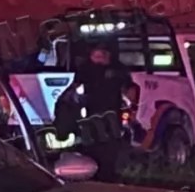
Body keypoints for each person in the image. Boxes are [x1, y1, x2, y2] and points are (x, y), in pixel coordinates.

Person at [58, 40, 138, 183]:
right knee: (91, 149)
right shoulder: (85, 70)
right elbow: (76, 90)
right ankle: (95, 177)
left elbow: (128, 90)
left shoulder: (118, 70)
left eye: (102, 53)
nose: (99, 56)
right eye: (96, 54)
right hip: (90, 117)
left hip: (111, 116)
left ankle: (108, 177)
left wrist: (133, 106)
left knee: (110, 150)